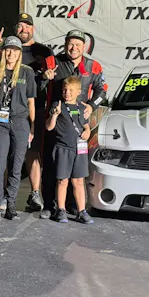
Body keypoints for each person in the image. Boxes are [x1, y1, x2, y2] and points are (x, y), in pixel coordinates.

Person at [39, 29, 107, 219]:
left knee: (76, 172)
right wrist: (44, 78)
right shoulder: (52, 62)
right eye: (70, 44)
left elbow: (103, 90)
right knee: (51, 167)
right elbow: (36, 87)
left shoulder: (93, 66)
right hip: (56, 124)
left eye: (78, 44)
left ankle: (72, 206)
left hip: (78, 128)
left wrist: (92, 106)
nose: (73, 48)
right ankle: (49, 206)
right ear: (65, 45)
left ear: (84, 47)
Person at [0, 13, 53, 212]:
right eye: (20, 26)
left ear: (33, 29)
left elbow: (51, 77)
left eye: (27, 26)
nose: (24, 29)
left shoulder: (43, 51)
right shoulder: (3, 49)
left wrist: (46, 78)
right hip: (4, 115)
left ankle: (34, 194)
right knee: (2, 159)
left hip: (31, 111)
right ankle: (1, 198)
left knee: (31, 155)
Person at [0, 36, 37, 222]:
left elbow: (31, 102)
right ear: (3, 51)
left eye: (15, 50)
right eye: (8, 49)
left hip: (21, 122)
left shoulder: (27, 72)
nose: (11, 53)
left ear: (19, 53)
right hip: (0, 123)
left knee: (16, 166)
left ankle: (11, 204)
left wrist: (32, 127)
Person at [45, 76, 94, 224]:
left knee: (79, 180)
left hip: (80, 149)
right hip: (63, 148)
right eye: (65, 90)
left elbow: (85, 125)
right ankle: (61, 209)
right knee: (62, 180)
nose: (67, 93)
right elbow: (49, 127)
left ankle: (81, 211)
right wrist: (55, 115)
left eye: (71, 90)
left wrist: (88, 131)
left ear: (79, 91)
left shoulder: (82, 108)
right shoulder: (58, 105)